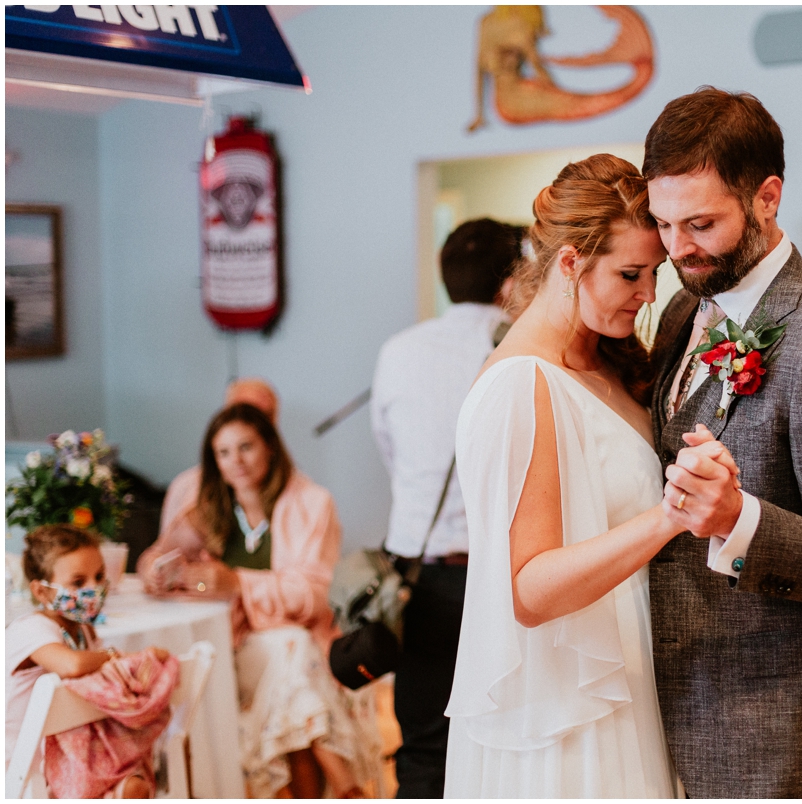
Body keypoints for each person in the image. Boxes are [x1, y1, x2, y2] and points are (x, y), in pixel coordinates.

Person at [642, 87, 802, 797]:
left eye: (700, 224)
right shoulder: (681, 309)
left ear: (767, 197)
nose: (677, 250)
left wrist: (739, 521)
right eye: (663, 225)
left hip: (782, 740)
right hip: (676, 711)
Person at [444, 154, 732, 797]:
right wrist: (670, 515)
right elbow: (531, 590)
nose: (650, 293)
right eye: (631, 273)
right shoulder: (522, 383)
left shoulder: (601, 366)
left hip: (624, 678)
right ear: (571, 263)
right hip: (565, 714)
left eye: (654, 272)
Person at [137, 403, 376, 798]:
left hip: (300, 646)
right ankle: (347, 789)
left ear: (269, 446)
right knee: (293, 657)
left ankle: (331, 791)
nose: (236, 462)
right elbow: (157, 557)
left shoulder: (312, 503)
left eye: (246, 447)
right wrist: (155, 571)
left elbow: (315, 597)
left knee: (293, 653)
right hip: (233, 647)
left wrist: (236, 583)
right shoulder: (206, 510)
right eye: (223, 453)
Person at [370, 218, 523, 798]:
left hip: (419, 568)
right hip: (504, 575)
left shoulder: (399, 350)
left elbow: (391, 449)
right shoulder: (522, 345)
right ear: (513, 279)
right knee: (505, 743)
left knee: (424, 745)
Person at [6, 524, 169, 798]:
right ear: (41, 591)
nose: (93, 589)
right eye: (78, 582)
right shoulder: (30, 629)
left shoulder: (84, 633)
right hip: (22, 769)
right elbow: (72, 665)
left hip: (72, 763)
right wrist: (122, 657)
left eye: (99, 576)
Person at [158, 377, 280, 521]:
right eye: (245, 414)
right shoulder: (187, 488)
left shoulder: (298, 494)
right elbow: (169, 542)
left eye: (264, 416)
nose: (254, 425)